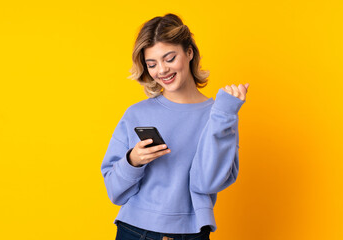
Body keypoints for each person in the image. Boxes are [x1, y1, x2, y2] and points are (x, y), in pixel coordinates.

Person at [101, 13, 249, 240]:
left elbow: (207, 183)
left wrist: (224, 115)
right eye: (152, 64)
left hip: (192, 233)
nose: (161, 70)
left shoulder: (219, 115)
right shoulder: (136, 114)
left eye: (169, 58)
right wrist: (133, 161)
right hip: (134, 231)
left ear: (189, 52)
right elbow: (114, 191)